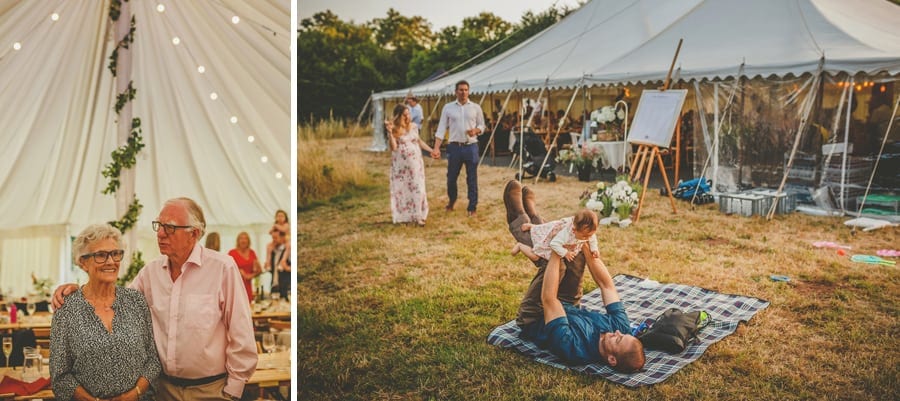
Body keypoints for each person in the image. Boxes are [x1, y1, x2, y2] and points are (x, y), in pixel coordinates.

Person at [54, 198, 258, 401]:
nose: (160, 233)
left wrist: (233, 391)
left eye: (169, 228)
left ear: (194, 233)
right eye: (159, 226)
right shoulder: (151, 272)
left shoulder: (222, 268)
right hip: (163, 390)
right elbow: (115, 299)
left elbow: (241, 331)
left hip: (210, 390)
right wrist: (78, 290)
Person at [503, 180, 644, 372]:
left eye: (618, 339)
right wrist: (586, 243)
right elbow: (606, 286)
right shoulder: (622, 329)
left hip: (536, 314)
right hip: (569, 303)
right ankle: (534, 217)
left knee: (557, 265)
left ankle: (517, 217)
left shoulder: (574, 348)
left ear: (611, 359)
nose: (618, 332)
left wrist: (555, 251)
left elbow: (549, 300)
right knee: (576, 253)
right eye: (622, 334)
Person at [51, 224, 161, 401]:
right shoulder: (67, 309)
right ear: (82, 262)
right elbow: (60, 375)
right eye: (101, 255)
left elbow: (152, 361)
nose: (111, 261)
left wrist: (134, 394)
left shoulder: (136, 301)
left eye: (115, 254)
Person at [431, 80, 486, 217]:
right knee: (451, 178)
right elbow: (441, 128)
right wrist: (436, 148)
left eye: (466, 90)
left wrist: (476, 131)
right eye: (461, 90)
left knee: (472, 178)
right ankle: (452, 200)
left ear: (469, 91)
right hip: (454, 147)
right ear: (456, 92)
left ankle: (472, 207)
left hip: (471, 146)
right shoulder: (448, 108)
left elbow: (482, 126)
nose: (463, 92)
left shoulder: (475, 107)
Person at [386, 103, 433, 226]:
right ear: (398, 116)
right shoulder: (395, 129)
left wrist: (431, 150)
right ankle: (405, 215)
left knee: (418, 188)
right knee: (403, 190)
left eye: (408, 114)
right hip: (401, 166)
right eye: (404, 115)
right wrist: (390, 133)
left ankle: (419, 215)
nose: (407, 117)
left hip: (416, 163)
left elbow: (419, 141)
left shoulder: (413, 126)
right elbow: (394, 147)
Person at [511, 209, 600, 266]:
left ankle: (533, 226)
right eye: (584, 236)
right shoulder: (565, 234)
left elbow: (592, 238)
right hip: (552, 240)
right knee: (536, 257)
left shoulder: (587, 232)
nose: (587, 238)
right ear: (574, 230)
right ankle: (520, 246)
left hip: (557, 231)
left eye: (589, 235)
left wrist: (594, 249)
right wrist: (565, 253)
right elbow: (554, 244)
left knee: (544, 228)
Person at [228, 232, 262, 302]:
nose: (243, 240)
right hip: (235, 286)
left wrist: (249, 276)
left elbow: (259, 271)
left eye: (245, 238)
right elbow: (226, 270)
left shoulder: (252, 252)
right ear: (238, 241)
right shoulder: (232, 253)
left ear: (248, 241)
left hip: (248, 287)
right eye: (241, 238)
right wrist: (238, 271)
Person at [264, 227, 288, 299]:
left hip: (287, 288)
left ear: (282, 237)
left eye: (275, 238)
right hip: (275, 286)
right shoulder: (273, 252)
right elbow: (274, 270)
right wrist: (267, 267)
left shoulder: (288, 251)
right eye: (272, 238)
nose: (273, 240)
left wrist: (287, 268)